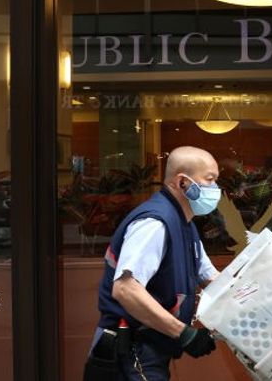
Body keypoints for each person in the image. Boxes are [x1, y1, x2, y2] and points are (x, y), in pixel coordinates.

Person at [84, 146, 224, 381]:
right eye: (209, 180)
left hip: (151, 349)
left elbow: (210, 277)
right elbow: (126, 288)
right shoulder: (155, 223)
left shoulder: (185, 224)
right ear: (182, 183)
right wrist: (184, 334)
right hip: (131, 350)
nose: (216, 190)